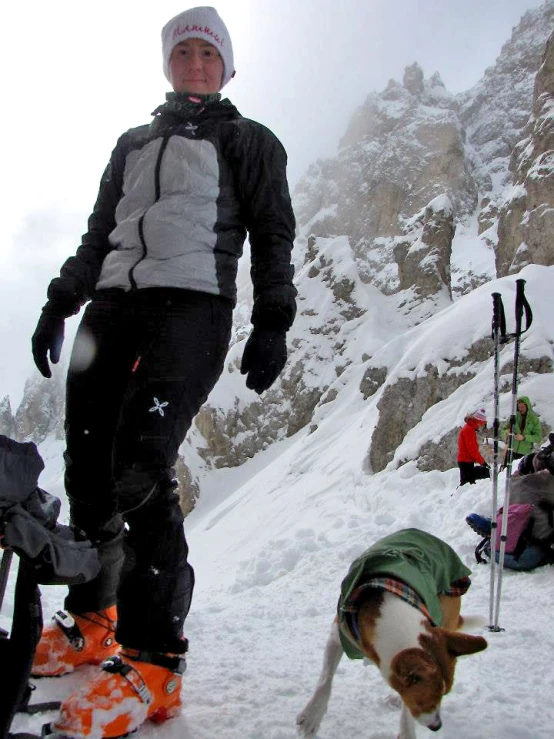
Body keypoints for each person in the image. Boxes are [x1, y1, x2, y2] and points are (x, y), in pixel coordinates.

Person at [29, 7, 297, 737]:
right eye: (184, 54)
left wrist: (273, 318)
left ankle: (156, 660)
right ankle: (93, 616)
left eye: (209, 53)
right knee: (88, 463)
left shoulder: (249, 141)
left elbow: (273, 232)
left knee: (142, 467)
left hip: (192, 307)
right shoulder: (132, 142)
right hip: (112, 306)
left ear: (228, 66)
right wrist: (60, 302)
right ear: (168, 65)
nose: (196, 64)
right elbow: (98, 232)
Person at [501, 396, 541, 462]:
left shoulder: (534, 420)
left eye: (522, 407)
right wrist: (506, 432)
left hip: (524, 454)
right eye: (519, 407)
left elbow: (538, 437)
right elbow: (503, 430)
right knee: (505, 471)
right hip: (511, 450)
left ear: (527, 406)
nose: (520, 409)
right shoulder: (513, 417)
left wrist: (524, 437)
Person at [457, 409, 490, 486]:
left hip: (465, 460)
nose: (480, 427)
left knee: (466, 484)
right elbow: (472, 450)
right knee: (466, 484)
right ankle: (456, 497)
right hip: (466, 461)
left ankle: (457, 497)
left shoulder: (469, 428)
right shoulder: (469, 430)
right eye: (481, 424)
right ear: (478, 422)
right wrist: (482, 462)